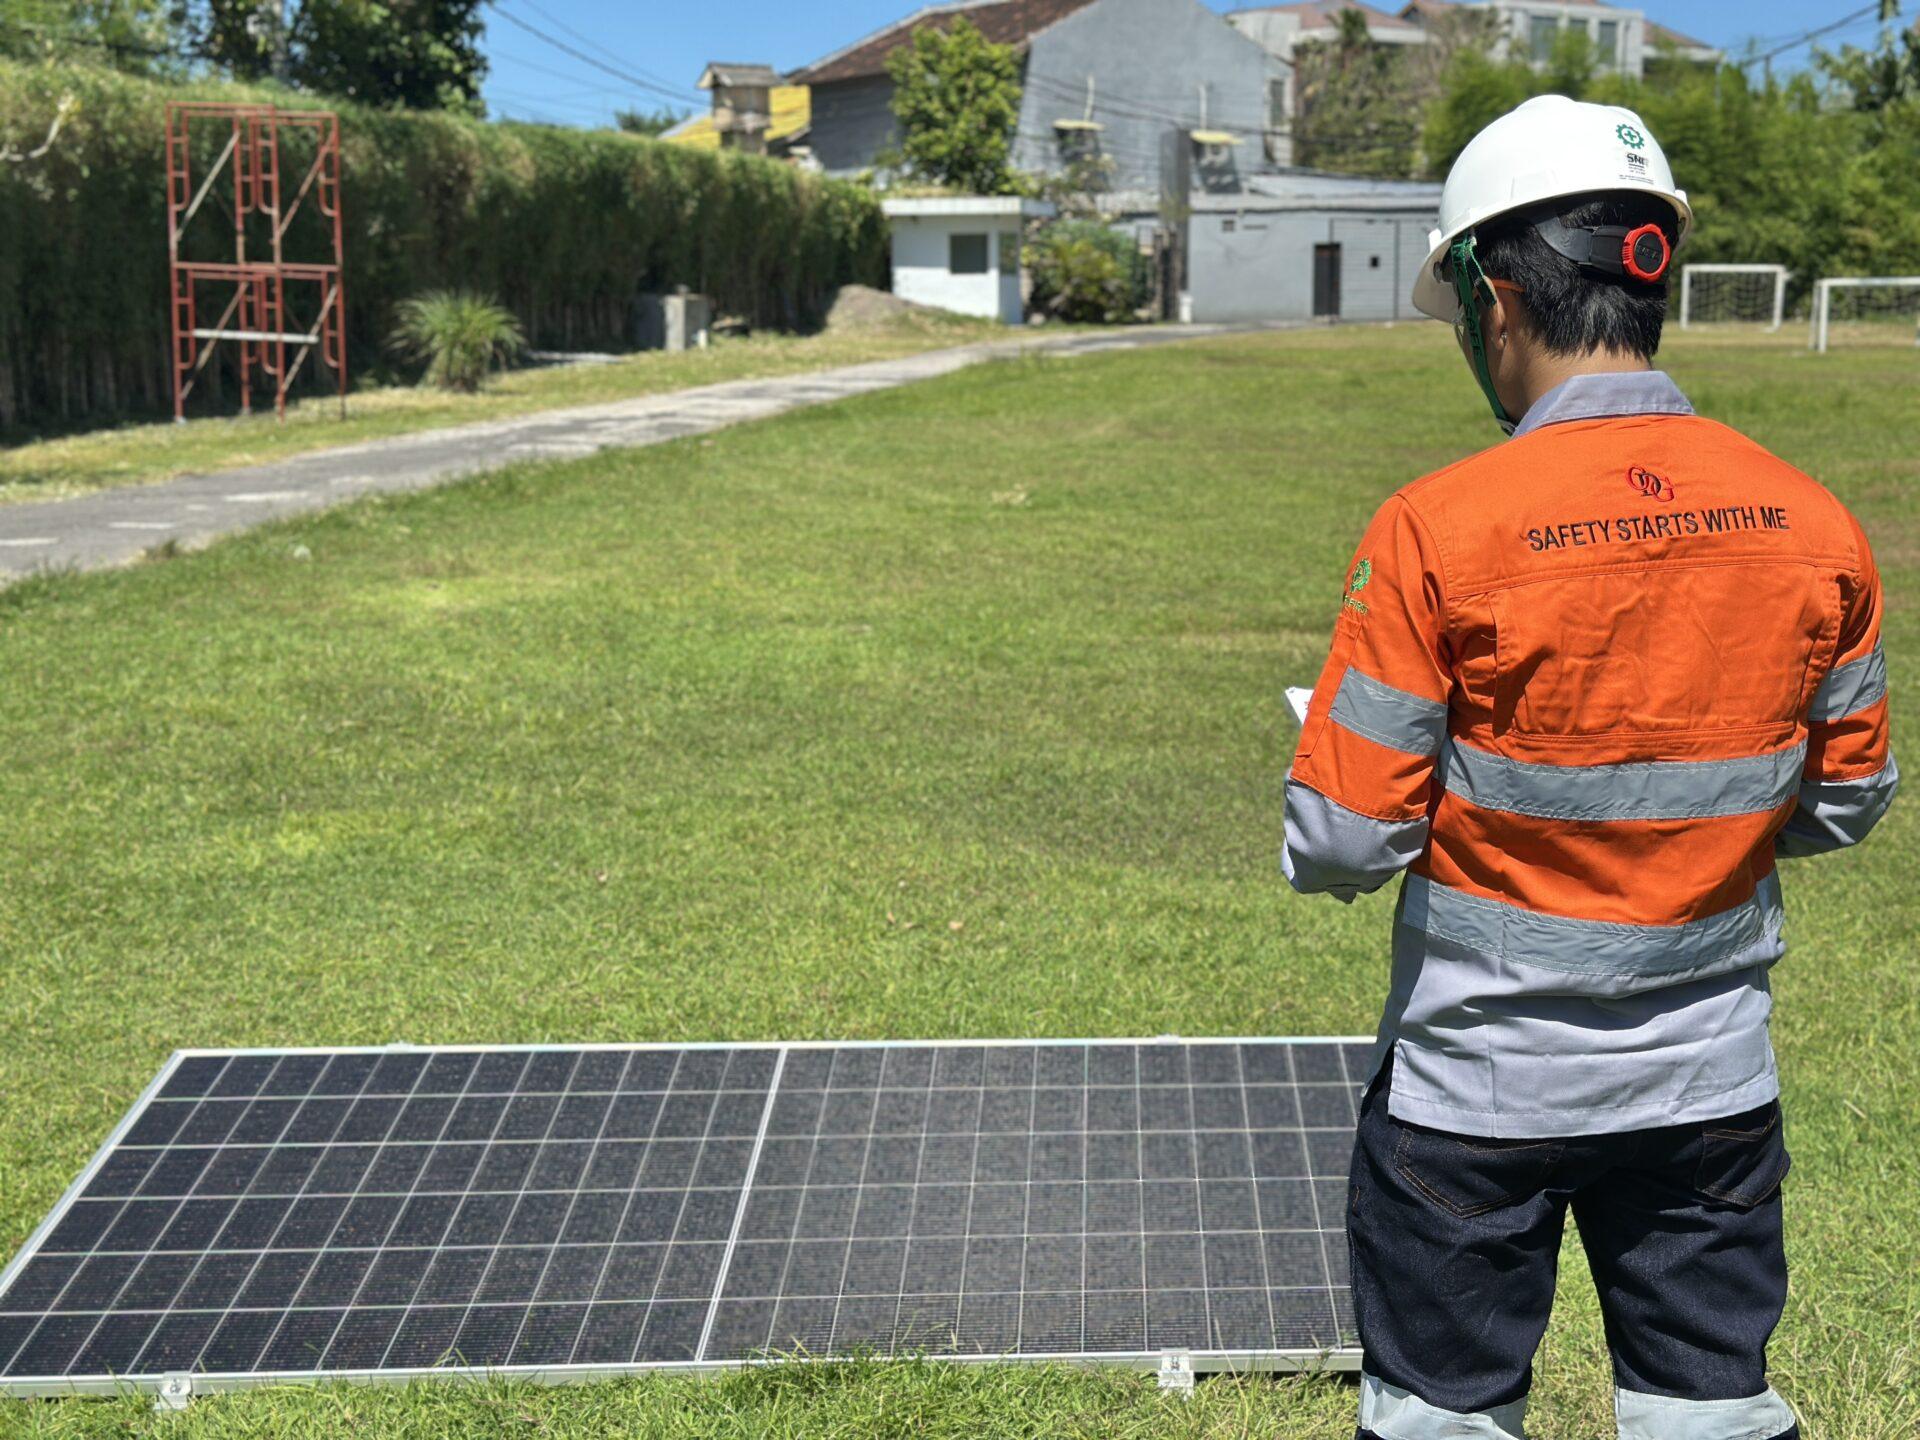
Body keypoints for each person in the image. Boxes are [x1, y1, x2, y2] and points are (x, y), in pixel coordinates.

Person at [1282, 95, 1898, 1440]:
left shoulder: (1435, 527)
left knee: (1441, 1421)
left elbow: (1339, 839)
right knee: (1708, 1415)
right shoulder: (1815, 522)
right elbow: (1846, 800)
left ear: (1495, 296)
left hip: (1473, 1092)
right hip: (1710, 1090)